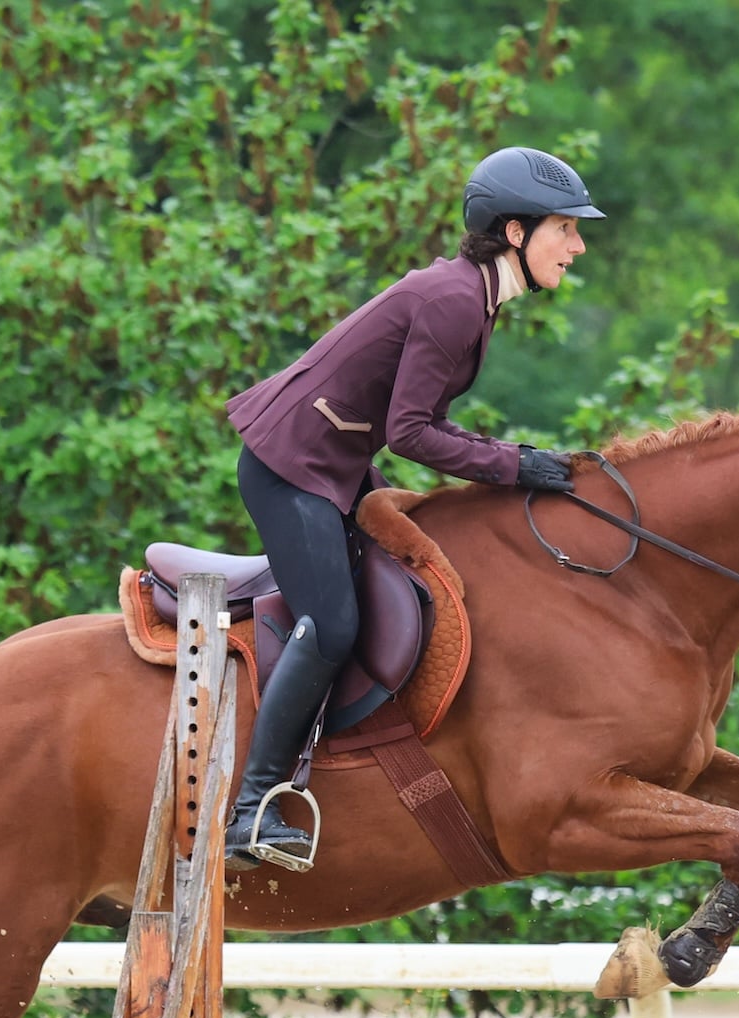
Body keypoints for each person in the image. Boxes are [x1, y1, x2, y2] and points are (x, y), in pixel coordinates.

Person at [217, 146, 604, 870]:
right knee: (332, 625)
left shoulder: (472, 296)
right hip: (291, 466)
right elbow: (411, 433)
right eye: (566, 228)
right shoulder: (455, 300)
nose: (578, 246)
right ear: (515, 232)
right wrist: (517, 464)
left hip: (334, 465)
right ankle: (251, 811)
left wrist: (514, 461)